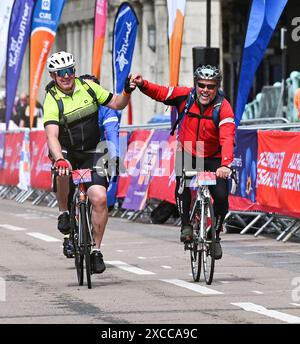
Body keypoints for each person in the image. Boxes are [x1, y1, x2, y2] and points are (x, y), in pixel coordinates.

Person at [131, 65, 236, 259]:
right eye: (201, 85)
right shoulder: (184, 96)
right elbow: (161, 93)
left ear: (217, 87)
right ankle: (186, 225)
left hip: (213, 155)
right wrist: (142, 84)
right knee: (182, 186)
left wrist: (225, 164)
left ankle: (215, 235)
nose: (205, 90)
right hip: (188, 150)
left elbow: (228, 137)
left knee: (221, 197)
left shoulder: (223, 107)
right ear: (196, 84)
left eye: (210, 86)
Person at [43, 51, 134, 272]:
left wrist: (127, 91)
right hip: (68, 151)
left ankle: (96, 250)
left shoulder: (88, 88)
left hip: (94, 150)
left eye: (69, 71)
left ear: (74, 71)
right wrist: (60, 159)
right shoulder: (52, 98)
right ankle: (64, 212)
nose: (66, 76)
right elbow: (52, 136)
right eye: (60, 73)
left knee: (100, 199)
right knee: (62, 171)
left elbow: (117, 103)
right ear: (53, 76)